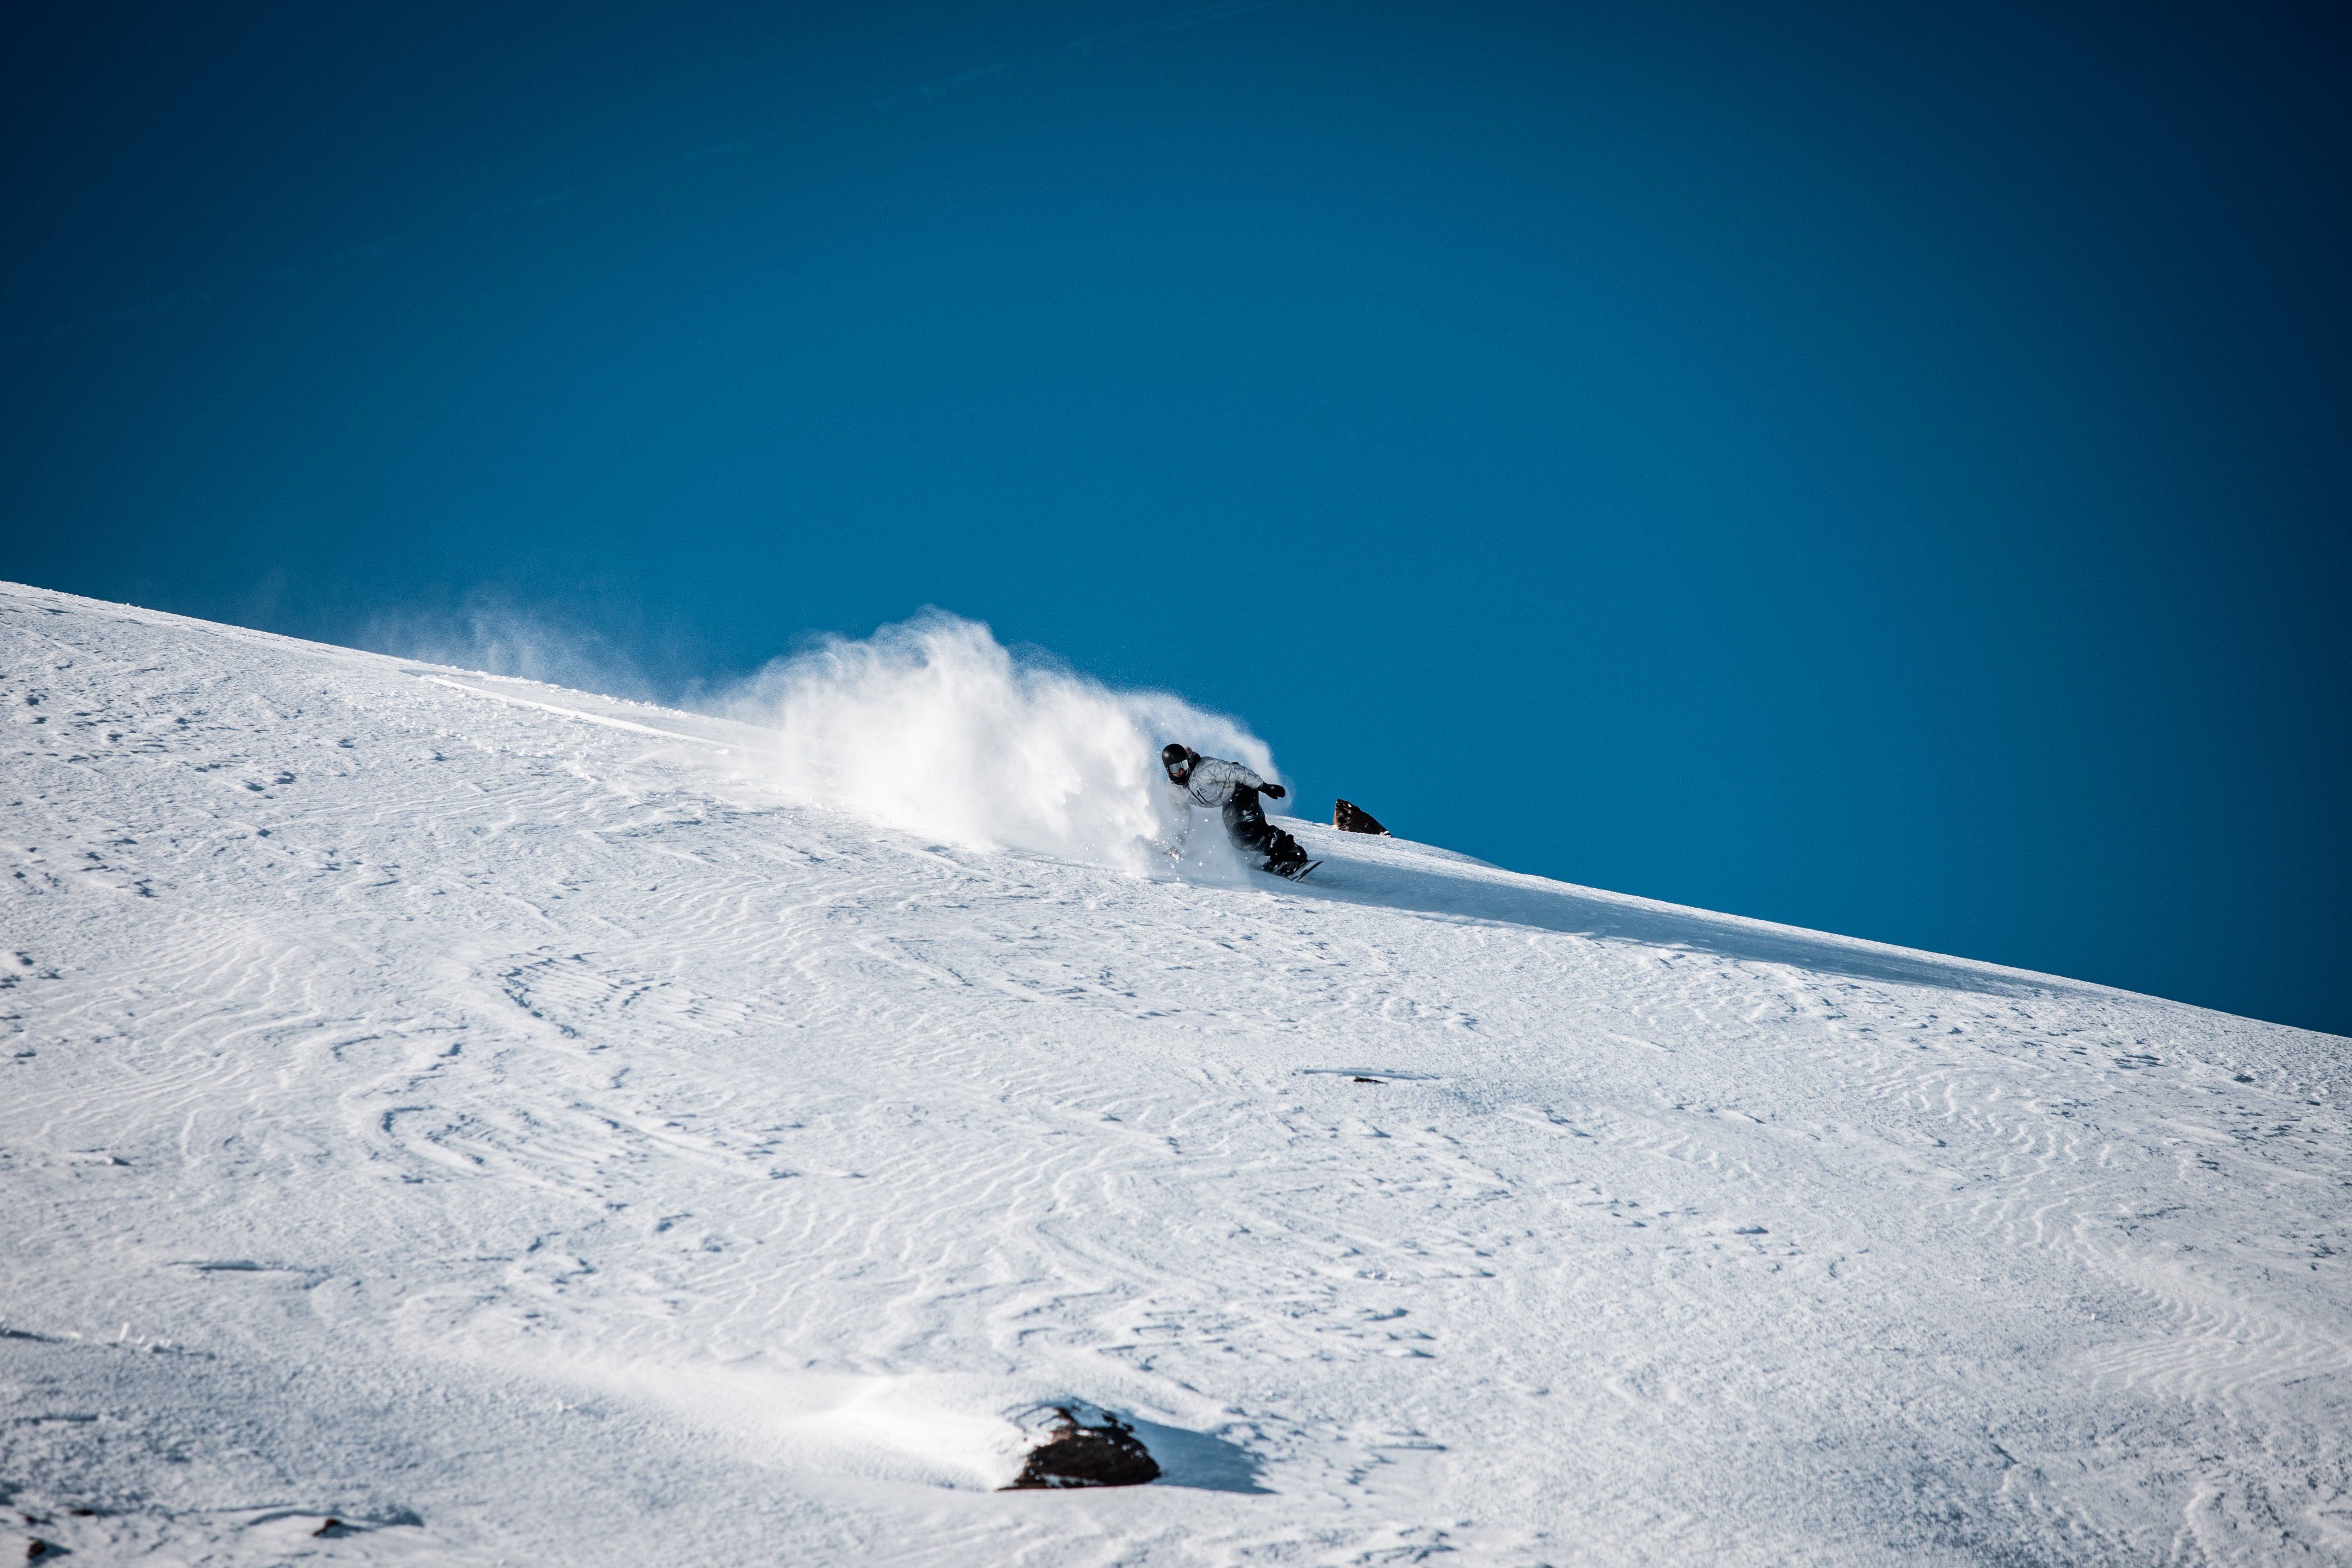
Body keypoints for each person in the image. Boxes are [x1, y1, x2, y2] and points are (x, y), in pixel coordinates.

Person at [1160, 743, 1311, 877]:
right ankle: (1273, 854)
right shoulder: (1174, 791)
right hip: (1228, 800)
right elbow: (1182, 814)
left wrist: (1263, 786)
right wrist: (1179, 839)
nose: (1181, 771)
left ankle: (1291, 853)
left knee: (1244, 828)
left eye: (1184, 765)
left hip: (1240, 788)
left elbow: (1237, 772)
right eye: (1175, 768)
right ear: (1168, 770)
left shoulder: (1205, 768)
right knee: (1237, 839)